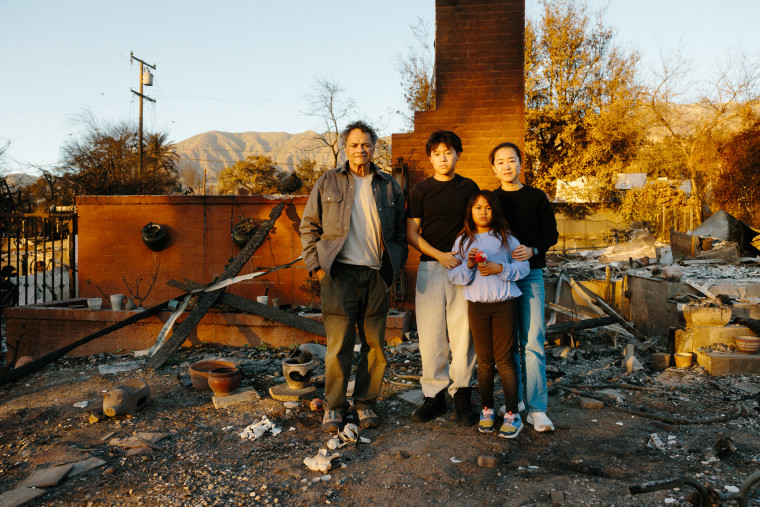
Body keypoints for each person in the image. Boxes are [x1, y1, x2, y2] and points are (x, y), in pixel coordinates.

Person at [300, 120, 407, 432]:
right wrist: (316, 267)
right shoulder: (328, 182)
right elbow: (309, 227)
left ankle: (365, 404)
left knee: (375, 346)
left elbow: (400, 232)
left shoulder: (388, 185)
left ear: (374, 148)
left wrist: (395, 265)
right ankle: (334, 407)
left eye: (366, 144)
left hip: (376, 275)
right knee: (339, 345)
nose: (361, 150)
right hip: (339, 275)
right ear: (345, 149)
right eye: (354, 145)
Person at [406, 130, 480, 425]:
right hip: (431, 268)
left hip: (463, 268)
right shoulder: (420, 191)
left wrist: (467, 257)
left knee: (464, 335)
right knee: (431, 335)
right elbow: (412, 234)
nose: (442, 158)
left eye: (448, 152)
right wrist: (440, 256)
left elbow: (478, 225)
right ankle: (433, 397)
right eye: (436, 153)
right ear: (430, 157)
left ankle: (462, 394)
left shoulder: (469, 188)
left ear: (458, 154)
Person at [448, 190, 530, 438]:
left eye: (488, 207)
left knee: (505, 360)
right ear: (470, 212)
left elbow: (523, 267)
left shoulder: (507, 239)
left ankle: (513, 414)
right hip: (478, 307)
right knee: (484, 362)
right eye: (477, 208)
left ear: (495, 211)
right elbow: (454, 276)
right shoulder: (463, 240)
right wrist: (470, 264)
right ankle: (487, 410)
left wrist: (500, 268)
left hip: (505, 304)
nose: (483, 212)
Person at [491, 142, 559, 432]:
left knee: (532, 342)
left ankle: (537, 408)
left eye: (512, 160)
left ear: (521, 163)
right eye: (500, 162)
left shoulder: (536, 197)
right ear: (494, 168)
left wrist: (532, 249)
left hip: (530, 276)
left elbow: (551, 234)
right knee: (507, 347)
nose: (507, 166)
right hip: (500, 279)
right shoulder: (491, 200)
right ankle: (515, 401)